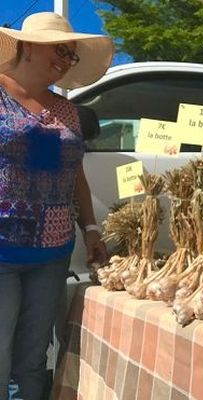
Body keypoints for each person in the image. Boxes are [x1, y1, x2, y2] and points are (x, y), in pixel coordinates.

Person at [0, 12, 114, 400]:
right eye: (60, 50)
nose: (66, 60)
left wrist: (92, 229)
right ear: (28, 45)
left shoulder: (65, 110)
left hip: (51, 253)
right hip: (2, 252)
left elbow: (72, 175)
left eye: (71, 55)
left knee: (33, 360)